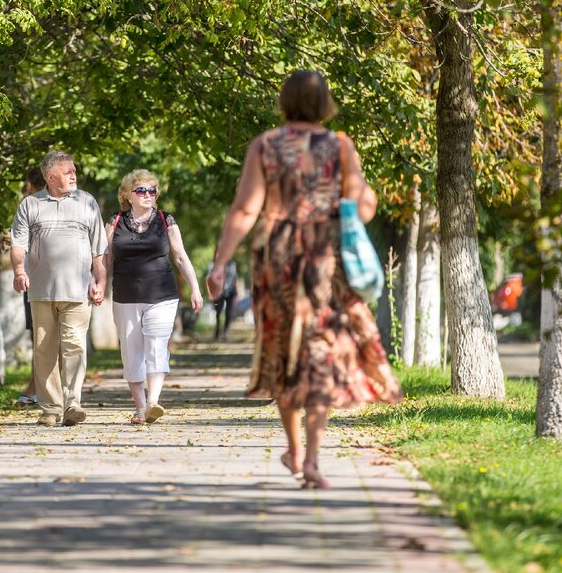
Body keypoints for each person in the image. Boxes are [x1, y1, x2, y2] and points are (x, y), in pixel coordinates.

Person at [205, 70, 402, 489]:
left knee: (284, 349)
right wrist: (359, 198)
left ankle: (294, 451)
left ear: (284, 102)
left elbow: (245, 209)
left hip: (276, 258)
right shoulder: (341, 146)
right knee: (319, 351)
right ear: (325, 103)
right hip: (324, 260)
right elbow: (361, 208)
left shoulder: (266, 145)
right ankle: (312, 456)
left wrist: (219, 263)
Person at [11, 150, 108, 428]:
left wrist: (100, 281)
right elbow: (18, 244)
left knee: (75, 346)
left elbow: (99, 249)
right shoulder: (30, 205)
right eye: (68, 172)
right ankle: (50, 409)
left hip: (78, 292)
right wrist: (19, 271)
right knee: (44, 350)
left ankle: (72, 402)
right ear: (51, 177)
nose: (74, 175)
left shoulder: (87, 201)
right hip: (40, 291)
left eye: (74, 170)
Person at [106, 170, 203, 425]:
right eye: (141, 190)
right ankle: (139, 407)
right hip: (125, 296)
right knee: (131, 352)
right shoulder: (115, 221)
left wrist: (195, 287)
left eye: (152, 190)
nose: (148, 194)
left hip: (162, 294)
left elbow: (180, 256)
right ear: (128, 195)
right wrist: (97, 284)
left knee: (157, 345)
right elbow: (105, 258)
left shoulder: (165, 219)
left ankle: (153, 402)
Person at [15, 166, 48, 408]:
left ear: (29, 184)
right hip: (45, 279)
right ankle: (40, 386)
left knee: (40, 336)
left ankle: (37, 388)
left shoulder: (30, 205)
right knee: (45, 336)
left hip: (36, 280)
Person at [208, 259, 238, 340]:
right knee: (218, 312)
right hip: (218, 292)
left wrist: (236, 293)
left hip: (230, 291)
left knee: (228, 313)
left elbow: (235, 278)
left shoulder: (232, 264)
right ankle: (217, 331)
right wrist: (211, 293)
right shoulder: (214, 264)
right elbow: (209, 279)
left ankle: (226, 332)